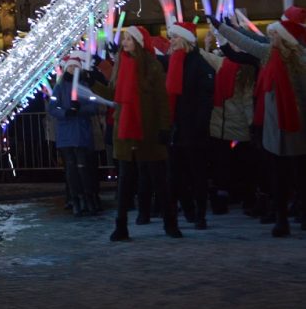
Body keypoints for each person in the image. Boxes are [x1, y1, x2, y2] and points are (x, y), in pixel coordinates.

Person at [211, 5, 306, 237]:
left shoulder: (302, 60)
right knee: (279, 175)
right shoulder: (267, 54)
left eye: (274, 34)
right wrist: (223, 27)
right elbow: (248, 42)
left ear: (285, 38)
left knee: (301, 174)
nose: (270, 36)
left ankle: (301, 213)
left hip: (297, 124)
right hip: (273, 125)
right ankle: (281, 218)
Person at [106, 26, 181, 241]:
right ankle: (121, 227)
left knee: (160, 182)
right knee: (125, 184)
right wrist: (91, 83)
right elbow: (113, 93)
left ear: (138, 42)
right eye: (124, 39)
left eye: (129, 39)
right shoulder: (120, 65)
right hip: (126, 132)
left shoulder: (151, 65)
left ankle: (170, 223)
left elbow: (161, 100)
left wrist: (165, 128)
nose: (125, 42)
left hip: (147, 131)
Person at [200, 28, 257, 213]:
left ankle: (247, 198)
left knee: (242, 165)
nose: (231, 46)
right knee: (221, 165)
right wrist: (194, 43)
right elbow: (205, 57)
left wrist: (251, 125)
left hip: (238, 125)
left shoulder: (248, 70)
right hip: (219, 124)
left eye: (235, 43)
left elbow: (248, 101)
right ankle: (223, 198)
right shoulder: (222, 63)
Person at [165, 20, 214, 228]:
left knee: (197, 175)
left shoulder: (199, 64)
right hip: (177, 129)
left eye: (175, 37)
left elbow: (205, 100)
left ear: (186, 40)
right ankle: (189, 210)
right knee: (177, 175)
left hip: (194, 130)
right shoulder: (174, 61)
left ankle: (200, 213)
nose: (172, 41)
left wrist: (198, 127)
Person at [47, 52, 105, 215]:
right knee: (71, 169)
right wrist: (66, 112)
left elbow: (93, 106)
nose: (73, 69)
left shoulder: (84, 86)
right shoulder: (59, 87)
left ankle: (88, 197)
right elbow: (52, 108)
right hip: (66, 135)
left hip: (82, 133)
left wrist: (80, 109)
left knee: (83, 168)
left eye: (75, 66)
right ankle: (76, 199)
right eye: (70, 66)